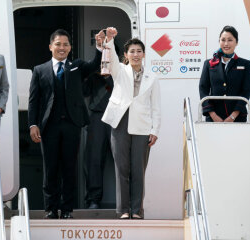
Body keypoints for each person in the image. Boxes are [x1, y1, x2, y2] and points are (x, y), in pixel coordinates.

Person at [28, 29, 104, 219]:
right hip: (48, 126)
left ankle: (67, 209)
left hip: (72, 124)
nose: (62, 48)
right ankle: (51, 209)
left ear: (70, 47)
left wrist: (100, 46)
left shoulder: (76, 66)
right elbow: (33, 100)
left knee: (70, 167)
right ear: (50, 46)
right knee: (50, 168)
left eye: (65, 45)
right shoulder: (39, 70)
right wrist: (32, 124)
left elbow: (95, 65)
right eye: (58, 44)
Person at [101, 27, 161, 219]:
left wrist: (155, 130)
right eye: (132, 51)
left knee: (138, 170)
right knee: (122, 169)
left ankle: (137, 210)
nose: (136, 54)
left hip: (143, 125)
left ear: (144, 54)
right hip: (120, 122)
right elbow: (110, 60)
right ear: (126, 55)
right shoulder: (120, 71)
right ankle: (123, 210)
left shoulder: (153, 78)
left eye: (139, 51)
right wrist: (109, 40)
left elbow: (156, 107)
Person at [199, 25, 250, 122]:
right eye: (223, 40)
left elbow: (245, 91)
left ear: (236, 42)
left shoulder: (245, 64)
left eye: (230, 40)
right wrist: (213, 115)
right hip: (213, 118)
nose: (226, 43)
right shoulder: (209, 64)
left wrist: (233, 116)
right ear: (219, 41)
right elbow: (203, 89)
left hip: (237, 118)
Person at [83, 72, 114, 209]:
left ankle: (128, 201)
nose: (104, 61)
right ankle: (93, 199)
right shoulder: (93, 74)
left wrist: (109, 77)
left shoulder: (122, 72)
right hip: (97, 116)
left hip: (118, 117)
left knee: (123, 161)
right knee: (94, 159)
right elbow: (83, 92)